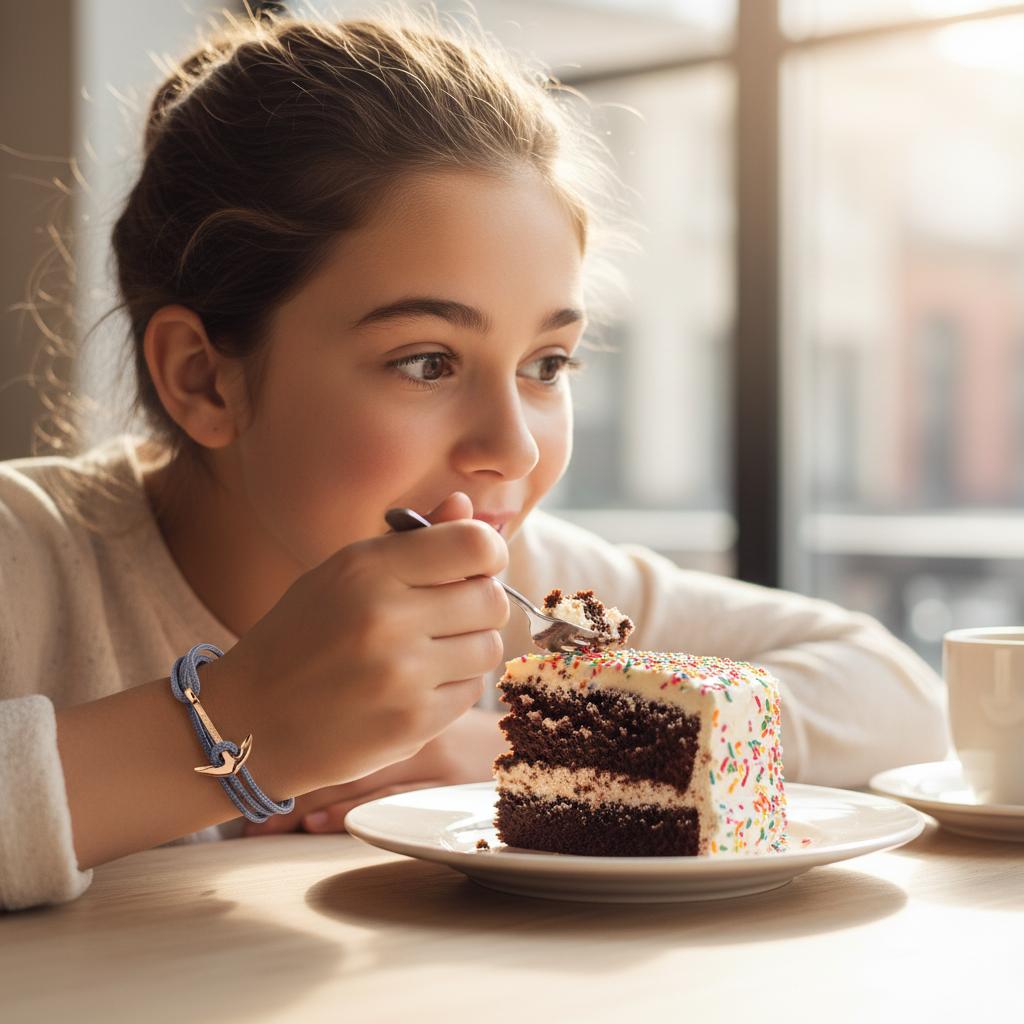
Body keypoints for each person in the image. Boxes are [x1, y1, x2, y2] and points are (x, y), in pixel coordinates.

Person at [0, 7, 949, 914]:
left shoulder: (535, 587)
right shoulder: (28, 561)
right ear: (204, 379)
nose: (515, 447)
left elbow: (898, 696)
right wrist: (243, 722)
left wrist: (515, 745)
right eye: (427, 362)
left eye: (547, 364)